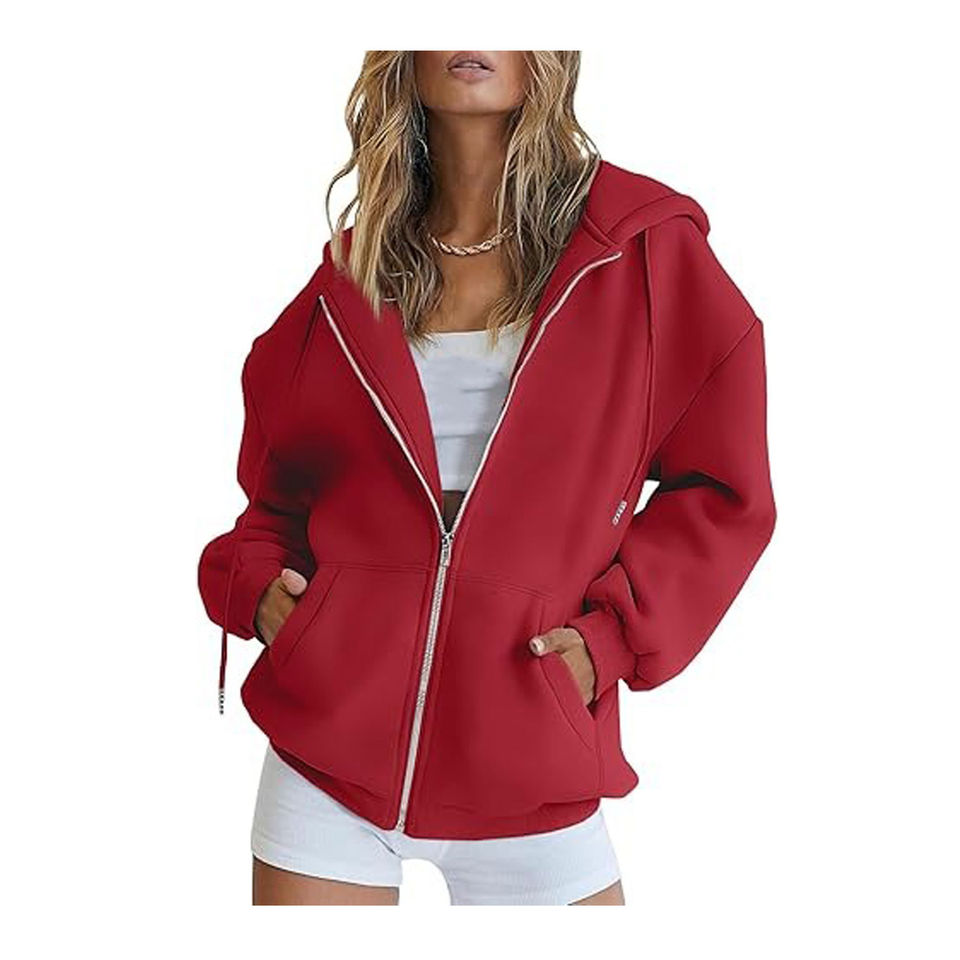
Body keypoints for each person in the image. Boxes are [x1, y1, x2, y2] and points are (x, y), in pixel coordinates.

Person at [198, 50, 777, 906]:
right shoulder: (355, 271)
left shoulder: (637, 250)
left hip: (530, 753)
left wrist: (609, 643)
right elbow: (278, 492)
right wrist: (263, 596)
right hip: (328, 762)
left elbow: (724, 488)